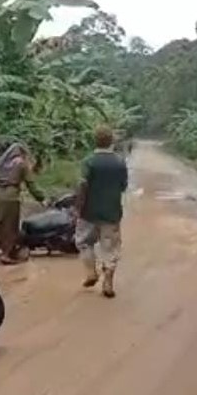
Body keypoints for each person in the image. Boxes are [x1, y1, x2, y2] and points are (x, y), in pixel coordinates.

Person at [75, 125, 129, 298]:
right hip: (112, 212)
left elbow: (82, 185)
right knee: (110, 247)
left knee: (84, 242)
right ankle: (108, 281)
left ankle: (91, 271)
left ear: (95, 140)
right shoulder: (120, 162)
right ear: (111, 141)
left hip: (88, 212)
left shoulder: (88, 161)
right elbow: (123, 187)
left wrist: (78, 207)